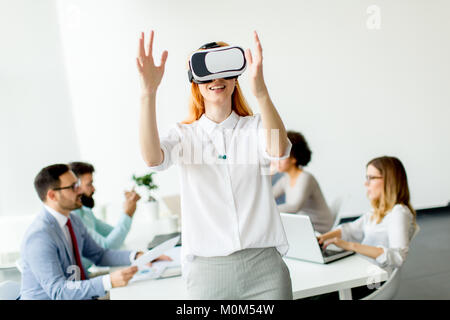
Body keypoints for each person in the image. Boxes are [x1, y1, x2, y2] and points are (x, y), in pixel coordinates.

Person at [136, 30, 293, 299]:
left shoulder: (255, 127)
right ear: (195, 82)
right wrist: (148, 93)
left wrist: (262, 92)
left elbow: (278, 150)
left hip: (265, 269)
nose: (216, 79)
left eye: (224, 70)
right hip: (208, 273)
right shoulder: (183, 135)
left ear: (235, 79)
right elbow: (152, 158)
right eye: (207, 72)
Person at [20, 164, 168, 300]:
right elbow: (58, 291)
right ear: (52, 195)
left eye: (78, 184)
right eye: (73, 187)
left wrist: (138, 256)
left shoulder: (73, 220)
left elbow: (99, 255)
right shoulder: (39, 237)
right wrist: (107, 281)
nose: (79, 190)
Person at [317, 156, 418, 298]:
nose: (366, 183)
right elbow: (350, 229)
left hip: (374, 280)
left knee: (320, 294)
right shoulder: (377, 211)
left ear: (389, 180)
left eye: (371, 178)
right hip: (362, 271)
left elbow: (398, 256)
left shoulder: (398, 213)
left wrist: (351, 246)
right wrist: (322, 237)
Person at [69, 162, 140, 274]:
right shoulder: (72, 218)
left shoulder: (86, 213)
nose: (93, 189)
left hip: (87, 275)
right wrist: (127, 214)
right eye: (89, 184)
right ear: (75, 187)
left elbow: (114, 235)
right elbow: (108, 247)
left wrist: (128, 208)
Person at [272, 130, 334, 234]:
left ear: (294, 158)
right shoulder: (285, 179)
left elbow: (294, 207)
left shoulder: (306, 178)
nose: (276, 160)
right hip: (305, 223)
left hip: (319, 227)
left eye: (281, 156)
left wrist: (267, 210)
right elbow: (268, 197)